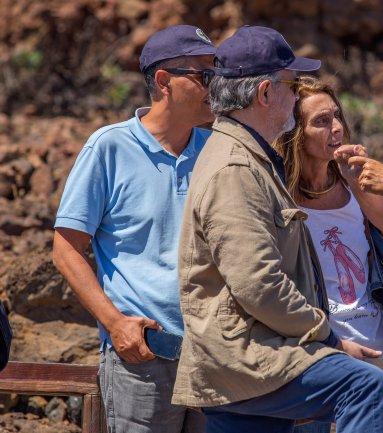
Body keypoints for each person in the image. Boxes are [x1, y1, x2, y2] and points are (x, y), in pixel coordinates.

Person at [171, 25, 383, 433]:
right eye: (289, 85)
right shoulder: (236, 167)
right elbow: (259, 283)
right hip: (249, 360)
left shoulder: (249, 159)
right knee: (366, 387)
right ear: (265, 94)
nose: (294, 94)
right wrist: (329, 339)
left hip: (247, 361)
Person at [52, 24, 216, 433]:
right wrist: (115, 324)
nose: (218, 87)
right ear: (164, 81)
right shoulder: (109, 147)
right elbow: (66, 248)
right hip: (143, 358)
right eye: (205, 75)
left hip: (214, 356)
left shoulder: (217, 151)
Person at [274, 76, 383, 433]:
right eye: (321, 121)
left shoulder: (357, 184)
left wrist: (360, 185)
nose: (336, 128)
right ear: (295, 133)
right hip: (323, 360)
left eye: (336, 116)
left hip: (377, 351)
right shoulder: (278, 198)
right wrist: (330, 344)